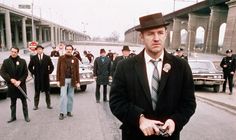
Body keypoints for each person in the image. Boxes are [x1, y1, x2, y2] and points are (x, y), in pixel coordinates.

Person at [109, 13, 196, 140]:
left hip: (169, 136)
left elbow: (188, 103)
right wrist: (140, 119)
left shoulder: (181, 66)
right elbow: (117, 102)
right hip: (134, 135)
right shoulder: (125, 66)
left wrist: (174, 121)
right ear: (142, 37)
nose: (156, 38)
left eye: (160, 32)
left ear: (166, 34)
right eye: (150, 33)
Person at [0, 47, 30, 123]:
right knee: (13, 103)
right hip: (12, 85)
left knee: (24, 102)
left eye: (15, 52)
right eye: (12, 51)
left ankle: (26, 116)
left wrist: (20, 81)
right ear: (10, 52)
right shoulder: (6, 61)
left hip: (21, 85)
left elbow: (26, 73)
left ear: (18, 52)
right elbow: (3, 72)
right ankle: (13, 117)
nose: (13, 53)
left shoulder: (22, 61)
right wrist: (10, 79)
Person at [57, 44, 80, 120]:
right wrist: (57, 80)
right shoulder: (61, 58)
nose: (68, 50)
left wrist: (78, 82)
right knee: (63, 96)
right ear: (65, 50)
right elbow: (58, 70)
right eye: (67, 49)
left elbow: (77, 71)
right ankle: (62, 113)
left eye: (70, 49)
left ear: (72, 50)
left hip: (72, 80)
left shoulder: (75, 59)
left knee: (70, 96)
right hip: (63, 80)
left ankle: (69, 111)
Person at [28, 45, 54, 110]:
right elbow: (30, 67)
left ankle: (49, 104)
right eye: (38, 49)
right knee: (37, 92)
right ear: (36, 50)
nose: (39, 50)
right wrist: (34, 72)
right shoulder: (33, 58)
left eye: (40, 49)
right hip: (37, 78)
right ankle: (35, 105)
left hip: (45, 78)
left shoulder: (47, 57)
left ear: (42, 50)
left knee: (47, 92)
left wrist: (49, 72)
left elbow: (52, 66)